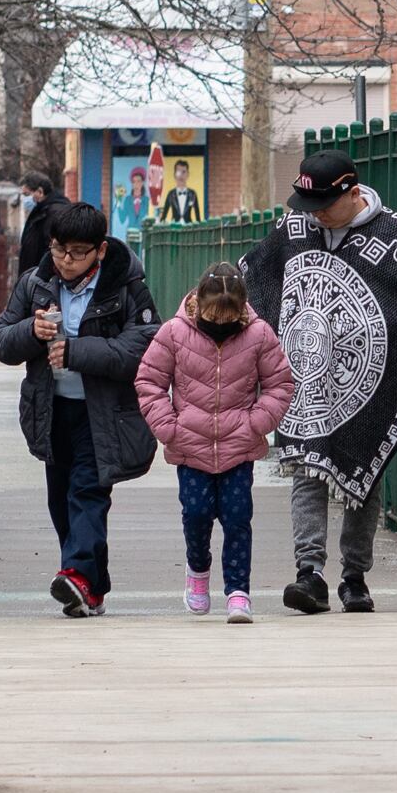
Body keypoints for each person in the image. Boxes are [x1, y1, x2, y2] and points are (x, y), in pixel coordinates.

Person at [248, 159, 397, 616]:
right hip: (303, 376)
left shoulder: (394, 234)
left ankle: (354, 578)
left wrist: (395, 358)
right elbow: (258, 279)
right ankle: (310, 574)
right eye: (309, 204)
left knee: (364, 473)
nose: (316, 213)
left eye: (325, 204)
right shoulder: (295, 228)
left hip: (371, 380)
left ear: (352, 191)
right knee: (306, 467)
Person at [0, 199, 159, 615]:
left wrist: (77, 352)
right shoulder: (35, 283)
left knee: (87, 492)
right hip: (51, 409)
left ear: (99, 250)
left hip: (103, 414)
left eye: (78, 252)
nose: (66, 260)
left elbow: (144, 345)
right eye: (59, 249)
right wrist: (31, 330)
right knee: (60, 500)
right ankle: (89, 587)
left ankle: (75, 573)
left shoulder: (126, 285)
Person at [136, 260, 292, 620]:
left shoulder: (258, 334)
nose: (220, 322)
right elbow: (149, 381)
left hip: (239, 446)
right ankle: (198, 572)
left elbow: (280, 384)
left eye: (228, 316)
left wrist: (257, 423)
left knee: (238, 517)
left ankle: (238, 591)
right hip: (190, 446)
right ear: (198, 303)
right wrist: (169, 427)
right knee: (196, 514)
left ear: (241, 309)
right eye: (213, 315)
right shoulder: (174, 333)